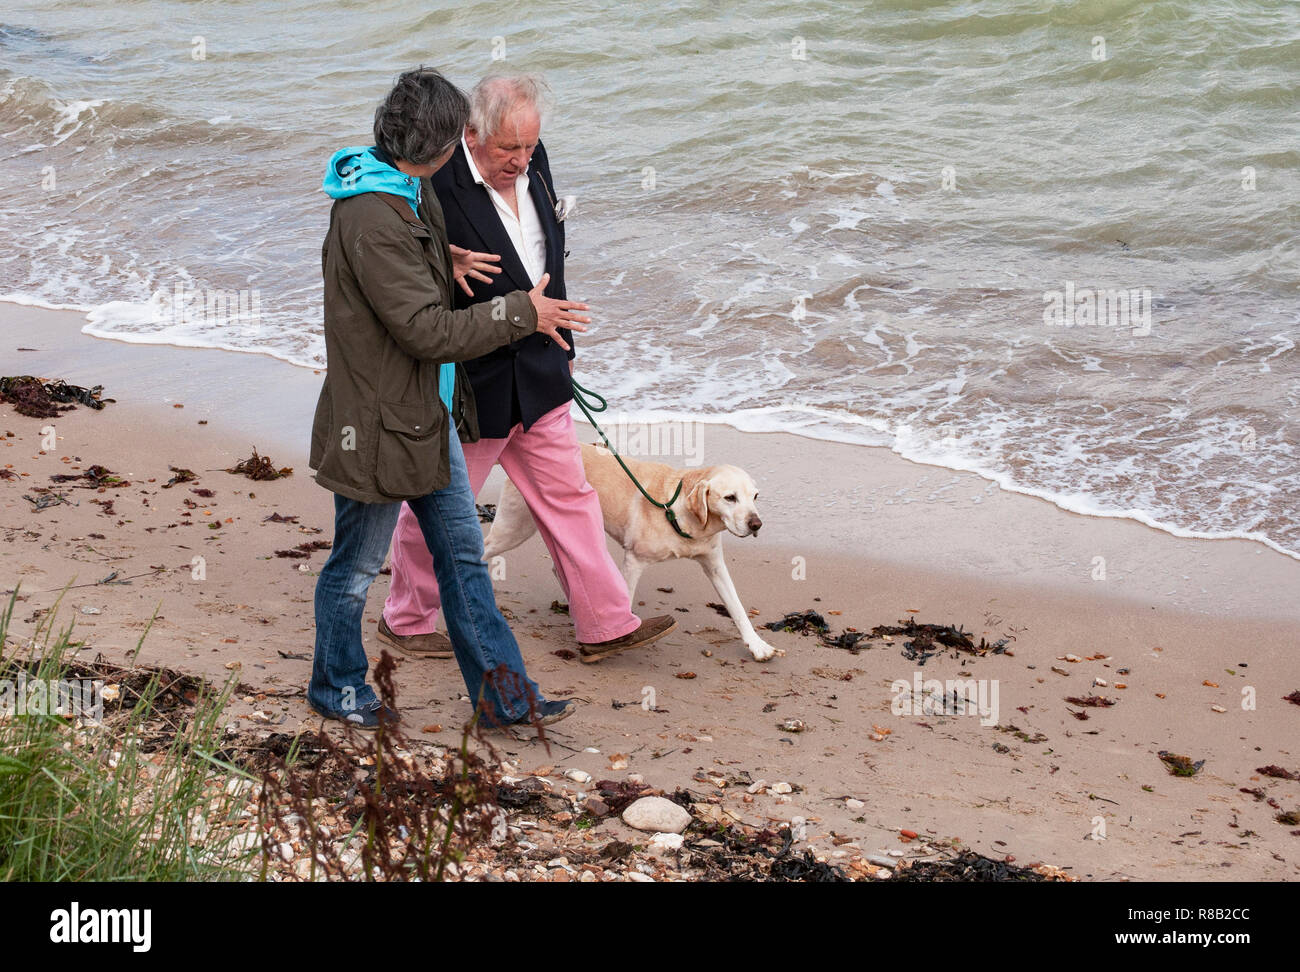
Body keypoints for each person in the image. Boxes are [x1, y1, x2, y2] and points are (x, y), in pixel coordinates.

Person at [307, 67, 590, 729]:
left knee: (465, 560)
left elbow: (415, 277)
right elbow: (425, 330)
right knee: (354, 567)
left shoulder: (407, 187)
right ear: (439, 149)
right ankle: (337, 687)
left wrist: (448, 264)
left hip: (428, 418)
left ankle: (503, 697)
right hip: (378, 426)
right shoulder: (371, 216)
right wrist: (520, 311)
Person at [379, 73, 676, 664]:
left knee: (571, 498)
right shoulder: (431, 181)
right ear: (470, 133)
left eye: (529, 147)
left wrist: (560, 330)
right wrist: (442, 257)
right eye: (506, 150)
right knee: (438, 505)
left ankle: (605, 624)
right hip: (472, 382)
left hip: (541, 370)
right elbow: (399, 272)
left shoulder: (535, 162)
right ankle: (406, 619)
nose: (520, 161)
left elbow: (546, 255)